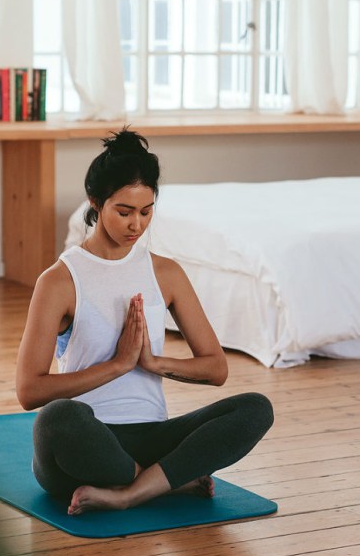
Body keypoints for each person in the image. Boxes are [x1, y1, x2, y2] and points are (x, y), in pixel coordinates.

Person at [15, 128, 274, 515]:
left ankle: (131, 491)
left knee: (255, 408)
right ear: (95, 202)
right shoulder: (59, 280)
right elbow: (29, 390)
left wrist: (155, 364)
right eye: (124, 211)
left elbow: (216, 368)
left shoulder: (165, 273)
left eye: (146, 211)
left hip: (150, 435)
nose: (136, 225)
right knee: (56, 418)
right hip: (84, 443)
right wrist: (117, 366)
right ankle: (165, 483)